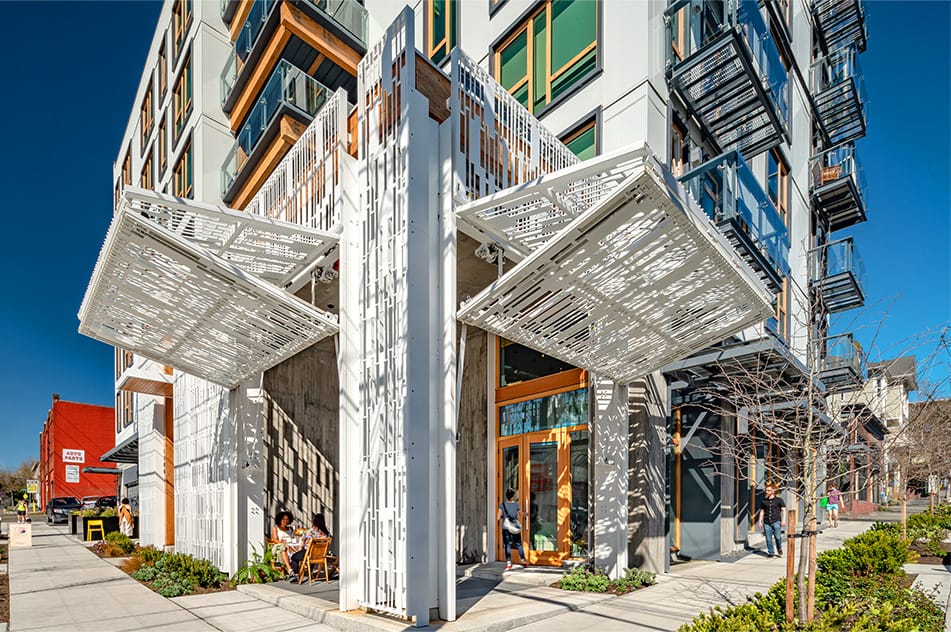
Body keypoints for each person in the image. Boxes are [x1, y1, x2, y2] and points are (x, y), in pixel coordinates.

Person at [497, 488, 525, 571]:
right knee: (518, 544)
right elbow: (521, 514)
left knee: (507, 545)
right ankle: (523, 561)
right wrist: (526, 514)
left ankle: (509, 563)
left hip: (506, 527)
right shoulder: (516, 505)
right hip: (514, 527)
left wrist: (503, 516)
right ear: (513, 497)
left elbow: (498, 517)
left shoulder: (502, 505)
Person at [756, 483, 786, 558]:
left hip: (776, 521)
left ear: (773, 491)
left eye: (769, 490)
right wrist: (760, 521)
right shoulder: (764, 501)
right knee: (768, 539)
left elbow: (783, 510)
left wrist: (783, 520)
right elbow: (762, 511)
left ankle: (779, 549)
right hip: (766, 522)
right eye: (766, 490)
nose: (767, 492)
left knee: (778, 537)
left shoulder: (779, 500)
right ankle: (771, 552)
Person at [271, 511, 302, 576]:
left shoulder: (290, 528)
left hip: (290, 545)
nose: (285, 521)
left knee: (300, 548)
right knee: (284, 548)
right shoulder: (276, 528)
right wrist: (282, 542)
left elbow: (293, 538)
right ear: (280, 519)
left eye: (287, 519)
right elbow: (275, 540)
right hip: (279, 546)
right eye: (284, 519)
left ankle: (296, 569)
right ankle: (289, 569)